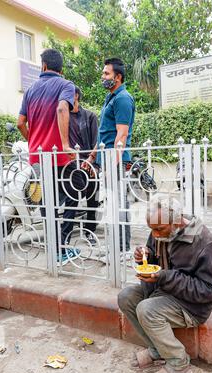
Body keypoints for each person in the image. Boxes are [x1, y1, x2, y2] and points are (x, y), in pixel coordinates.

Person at [118, 194, 212, 373]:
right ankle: (157, 350)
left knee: (147, 309)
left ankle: (179, 364)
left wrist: (164, 277)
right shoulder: (161, 230)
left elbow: (209, 291)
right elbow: (153, 254)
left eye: (159, 230)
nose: (155, 235)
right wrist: (143, 256)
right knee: (126, 297)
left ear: (176, 222)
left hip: (192, 306)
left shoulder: (205, 243)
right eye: (152, 230)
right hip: (163, 291)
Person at [17, 48, 85, 265]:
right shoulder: (65, 85)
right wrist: (65, 144)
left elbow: (20, 123)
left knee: (48, 207)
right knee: (73, 196)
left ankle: (54, 252)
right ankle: (61, 251)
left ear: (43, 66)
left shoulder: (29, 90)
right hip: (59, 159)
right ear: (61, 69)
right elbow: (62, 109)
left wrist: (33, 142)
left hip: (37, 159)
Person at [85, 58, 135, 254]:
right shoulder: (111, 98)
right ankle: (116, 245)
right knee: (112, 204)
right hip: (106, 158)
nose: (103, 77)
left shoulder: (123, 98)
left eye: (106, 74)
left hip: (116, 160)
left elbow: (121, 135)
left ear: (118, 77)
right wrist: (91, 158)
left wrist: (111, 167)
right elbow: (104, 134)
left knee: (119, 203)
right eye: (103, 73)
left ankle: (122, 248)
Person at [69, 86, 99, 246]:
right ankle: (65, 234)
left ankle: (90, 231)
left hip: (89, 163)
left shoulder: (89, 116)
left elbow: (97, 141)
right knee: (70, 198)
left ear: (76, 96)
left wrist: (90, 161)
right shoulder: (62, 117)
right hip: (69, 165)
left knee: (92, 198)